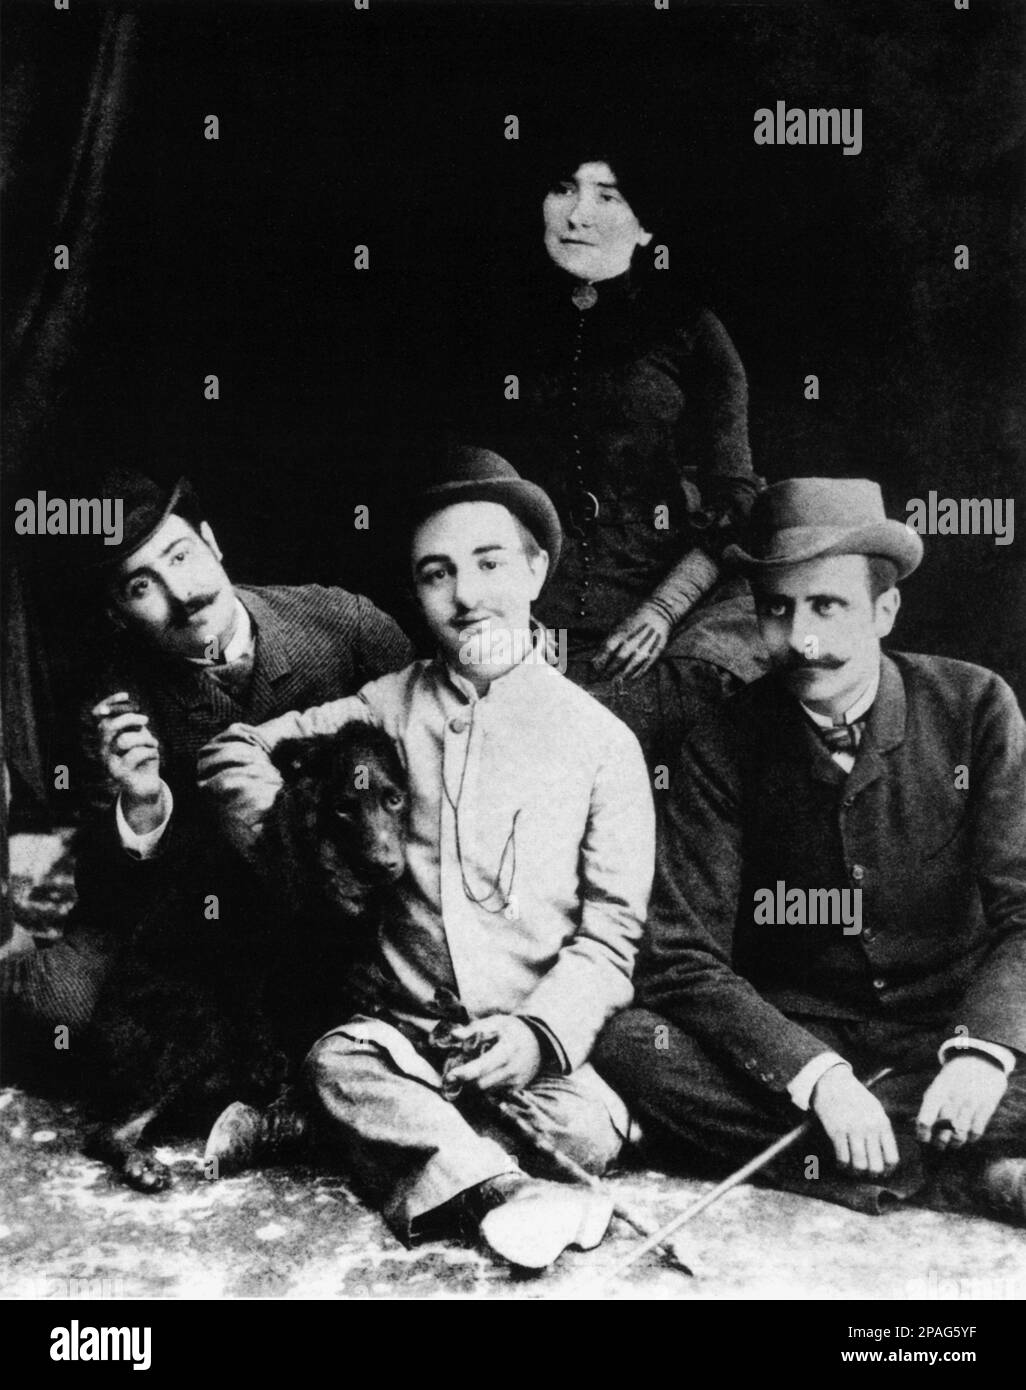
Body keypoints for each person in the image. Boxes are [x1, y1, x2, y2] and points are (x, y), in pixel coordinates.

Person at [198, 447, 655, 1269]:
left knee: (592, 1123)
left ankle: (368, 1143)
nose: (467, 595)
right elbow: (233, 749)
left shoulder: (602, 743)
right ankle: (503, 1192)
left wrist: (539, 1033)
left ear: (537, 569)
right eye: (437, 574)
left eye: (489, 564)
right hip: (397, 1034)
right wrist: (305, 855)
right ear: (416, 593)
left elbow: (612, 933)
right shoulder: (388, 703)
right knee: (339, 1061)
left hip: (515, 1049)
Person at [595, 478, 1026, 1225]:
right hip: (799, 1038)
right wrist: (816, 1075)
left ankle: (893, 1146)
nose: (801, 640)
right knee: (631, 1045)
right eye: (777, 609)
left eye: (828, 606)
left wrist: (983, 1051)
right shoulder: (720, 742)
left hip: (947, 1027)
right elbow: (680, 957)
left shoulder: (975, 706)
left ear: (885, 610)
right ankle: (960, 1167)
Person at [0, 468, 413, 1073]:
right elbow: (112, 898)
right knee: (61, 1002)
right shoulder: (113, 703)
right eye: (143, 585)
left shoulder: (343, 625)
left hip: (361, 908)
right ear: (116, 612)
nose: (185, 593)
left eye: (182, 555)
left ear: (214, 543)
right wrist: (142, 806)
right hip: (206, 925)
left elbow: (432, 732)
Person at [460, 138, 768, 765]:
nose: (578, 215)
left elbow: (736, 498)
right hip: (522, 610)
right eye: (563, 189)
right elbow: (461, 491)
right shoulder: (494, 327)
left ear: (645, 222)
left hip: (661, 612)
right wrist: (505, 608)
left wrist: (662, 610)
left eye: (608, 195)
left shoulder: (692, 331)